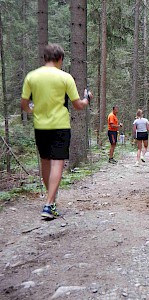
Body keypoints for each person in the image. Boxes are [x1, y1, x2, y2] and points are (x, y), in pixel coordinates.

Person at [20, 43, 92, 219]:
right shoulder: (65, 77)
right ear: (60, 59)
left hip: (40, 126)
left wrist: (32, 110)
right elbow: (78, 106)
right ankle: (49, 204)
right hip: (60, 125)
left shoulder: (32, 77)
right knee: (57, 163)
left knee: (45, 162)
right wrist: (86, 98)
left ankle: (50, 200)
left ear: (45, 58)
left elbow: (24, 105)